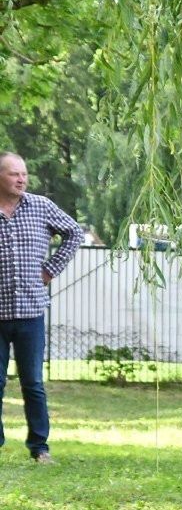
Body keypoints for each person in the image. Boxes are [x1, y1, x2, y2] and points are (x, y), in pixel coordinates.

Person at [0, 152, 84, 463]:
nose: (21, 179)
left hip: (31, 311)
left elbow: (75, 232)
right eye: (13, 174)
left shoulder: (40, 206)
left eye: (23, 174)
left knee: (32, 382)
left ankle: (40, 447)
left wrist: (50, 269)